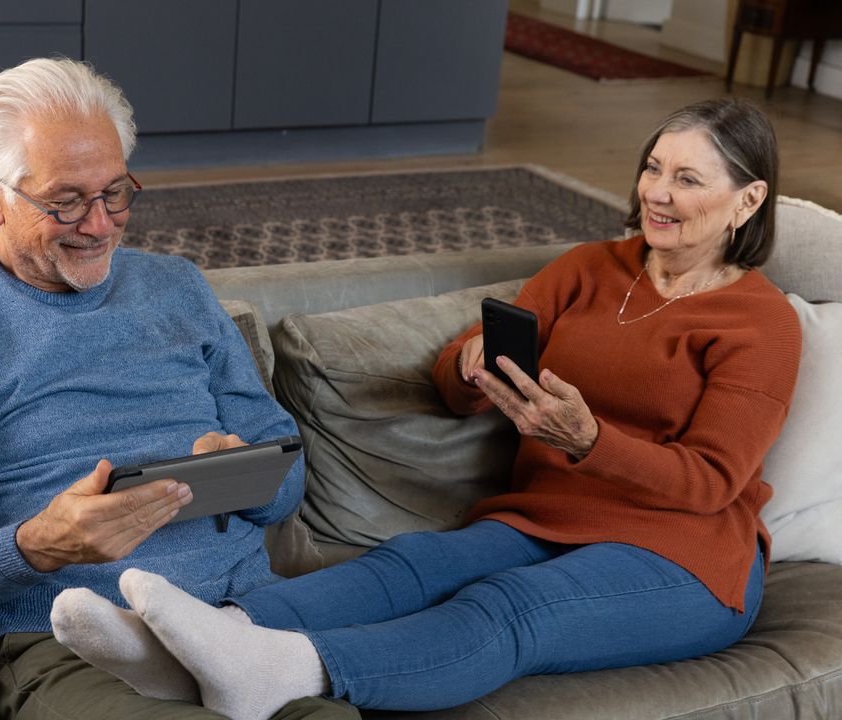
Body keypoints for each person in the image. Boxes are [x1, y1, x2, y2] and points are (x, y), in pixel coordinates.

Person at [52, 96, 802, 719]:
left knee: (510, 607)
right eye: (652, 168)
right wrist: (471, 359)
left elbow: (709, 482)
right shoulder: (591, 268)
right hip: (547, 517)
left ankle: (285, 668)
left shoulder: (759, 324)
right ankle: (191, 642)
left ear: (749, 199)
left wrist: (589, 440)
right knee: (417, 562)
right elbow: (454, 383)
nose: (658, 194)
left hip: (688, 559)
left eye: (688, 180)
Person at [0, 57, 357, 720]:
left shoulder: (177, 287)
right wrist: (41, 543)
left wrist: (247, 473)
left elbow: (286, 475)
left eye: (115, 192)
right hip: (68, 638)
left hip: (239, 622)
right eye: (65, 202)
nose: (99, 225)